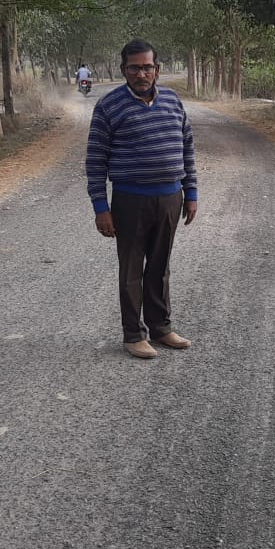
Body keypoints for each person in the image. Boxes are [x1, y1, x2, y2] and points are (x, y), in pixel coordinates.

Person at [85, 39, 198, 359]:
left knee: (160, 267)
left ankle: (161, 328)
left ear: (157, 70)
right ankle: (133, 334)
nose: (141, 73)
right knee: (132, 270)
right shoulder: (109, 106)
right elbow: (95, 161)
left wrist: (191, 193)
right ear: (124, 70)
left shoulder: (173, 101)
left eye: (147, 67)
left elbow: (187, 148)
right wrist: (101, 208)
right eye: (134, 68)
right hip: (130, 201)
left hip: (170, 198)